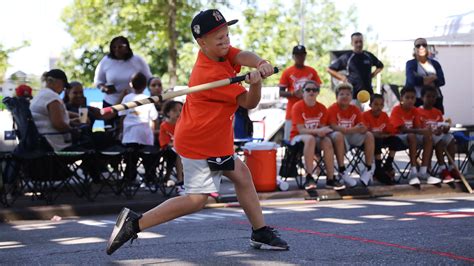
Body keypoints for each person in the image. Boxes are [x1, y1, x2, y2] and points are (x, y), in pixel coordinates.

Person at [106, 9, 289, 255]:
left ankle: (260, 231)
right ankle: (134, 224)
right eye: (218, 37)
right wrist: (256, 83)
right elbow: (248, 103)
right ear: (202, 43)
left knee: (242, 177)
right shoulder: (208, 74)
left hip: (217, 138)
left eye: (226, 33)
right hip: (199, 142)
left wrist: (260, 63)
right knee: (197, 200)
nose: (225, 40)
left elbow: (241, 54)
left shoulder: (221, 53)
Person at [290, 80, 345, 191]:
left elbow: (322, 128)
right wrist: (318, 131)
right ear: (303, 92)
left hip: (315, 137)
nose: (311, 92)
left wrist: (322, 131)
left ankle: (330, 179)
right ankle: (309, 177)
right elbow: (301, 130)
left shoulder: (322, 108)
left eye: (314, 90)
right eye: (308, 90)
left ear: (318, 93)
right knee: (310, 138)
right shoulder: (297, 106)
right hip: (298, 138)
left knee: (327, 141)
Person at [94, 36, 152, 133]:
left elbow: (149, 78)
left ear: (127, 47)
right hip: (111, 102)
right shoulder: (105, 61)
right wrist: (104, 88)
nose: (117, 49)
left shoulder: (137, 60)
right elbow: (98, 81)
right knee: (110, 131)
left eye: (120, 47)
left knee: (131, 130)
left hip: (132, 103)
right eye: (114, 47)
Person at [389, 86, 441, 185]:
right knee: (412, 135)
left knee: (427, 137)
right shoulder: (396, 110)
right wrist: (422, 131)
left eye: (412, 98)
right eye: (407, 97)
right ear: (401, 99)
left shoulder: (415, 110)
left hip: (412, 136)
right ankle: (413, 172)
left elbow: (418, 127)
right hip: (398, 137)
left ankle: (423, 171)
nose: (410, 100)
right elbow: (403, 129)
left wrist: (428, 132)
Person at [326, 83, 375, 187]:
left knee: (369, 135)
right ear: (336, 97)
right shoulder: (332, 109)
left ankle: (368, 169)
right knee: (338, 134)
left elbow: (361, 125)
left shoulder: (355, 109)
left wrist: (363, 129)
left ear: (351, 97)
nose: (345, 96)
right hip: (336, 137)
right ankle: (342, 170)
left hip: (351, 135)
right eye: (342, 94)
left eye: (348, 94)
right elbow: (334, 127)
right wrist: (354, 129)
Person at [119, 72, 158, 181]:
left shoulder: (127, 98)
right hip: (145, 134)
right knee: (148, 158)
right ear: (145, 85)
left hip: (130, 135)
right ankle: (150, 177)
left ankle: (129, 178)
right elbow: (154, 119)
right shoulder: (148, 99)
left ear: (131, 84)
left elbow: (122, 117)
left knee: (131, 159)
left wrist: (121, 132)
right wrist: (152, 134)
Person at [327, 32, 384, 109]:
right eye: (356, 42)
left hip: (368, 94)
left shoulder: (368, 56)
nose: (359, 44)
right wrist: (342, 78)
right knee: (354, 118)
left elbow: (380, 66)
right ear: (352, 43)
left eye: (360, 41)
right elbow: (329, 69)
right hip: (353, 95)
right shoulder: (347, 57)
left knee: (367, 118)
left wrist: (372, 75)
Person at [416, 86, 460, 183]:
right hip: (425, 137)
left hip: (437, 135)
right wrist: (432, 131)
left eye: (434, 97)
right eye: (428, 96)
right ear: (422, 97)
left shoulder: (437, 112)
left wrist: (445, 128)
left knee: (450, 138)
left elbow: (441, 127)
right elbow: (418, 128)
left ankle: (451, 168)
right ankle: (442, 169)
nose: (431, 99)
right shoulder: (418, 111)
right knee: (439, 140)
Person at [279, 45, 322, 141]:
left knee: (312, 139)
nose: (300, 57)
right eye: (297, 55)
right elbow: (280, 92)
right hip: (292, 111)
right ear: (293, 56)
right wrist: (293, 93)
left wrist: (309, 93)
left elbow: (318, 88)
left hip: (310, 113)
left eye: (302, 55)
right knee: (290, 141)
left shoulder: (312, 71)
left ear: (305, 55)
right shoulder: (287, 72)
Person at [30, 69, 79, 151]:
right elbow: (58, 124)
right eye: (63, 85)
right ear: (52, 81)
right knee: (92, 146)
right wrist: (74, 131)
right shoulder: (52, 97)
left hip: (40, 141)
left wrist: (74, 118)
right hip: (54, 144)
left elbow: (54, 114)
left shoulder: (41, 95)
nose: (63, 89)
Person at [362, 94, 404, 185]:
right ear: (370, 105)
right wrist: (380, 135)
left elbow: (391, 130)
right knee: (376, 140)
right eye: (376, 104)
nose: (378, 107)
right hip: (369, 141)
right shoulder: (365, 115)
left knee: (395, 139)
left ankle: (388, 163)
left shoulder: (384, 115)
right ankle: (378, 167)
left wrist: (385, 134)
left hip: (382, 137)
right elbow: (364, 132)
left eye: (381, 105)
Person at [405, 38, 446, 113]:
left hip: (434, 100)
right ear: (415, 49)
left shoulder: (435, 63)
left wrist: (421, 79)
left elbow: (442, 81)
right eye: (418, 45)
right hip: (417, 99)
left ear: (427, 47)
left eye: (424, 45)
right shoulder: (410, 63)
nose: (421, 47)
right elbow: (412, 80)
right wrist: (432, 78)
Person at [159, 100, 185, 195]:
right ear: (167, 113)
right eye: (174, 110)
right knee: (178, 153)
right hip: (168, 149)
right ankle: (180, 182)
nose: (178, 113)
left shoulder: (183, 124)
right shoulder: (164, 125)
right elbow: (165, 142)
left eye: (180, 110)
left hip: (182, 148)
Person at [147, 77, 165, 144]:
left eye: (159, 85)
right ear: (148, 88)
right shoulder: (145, 102)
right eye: (153, 85)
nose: (157, 87)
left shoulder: (168, 102)